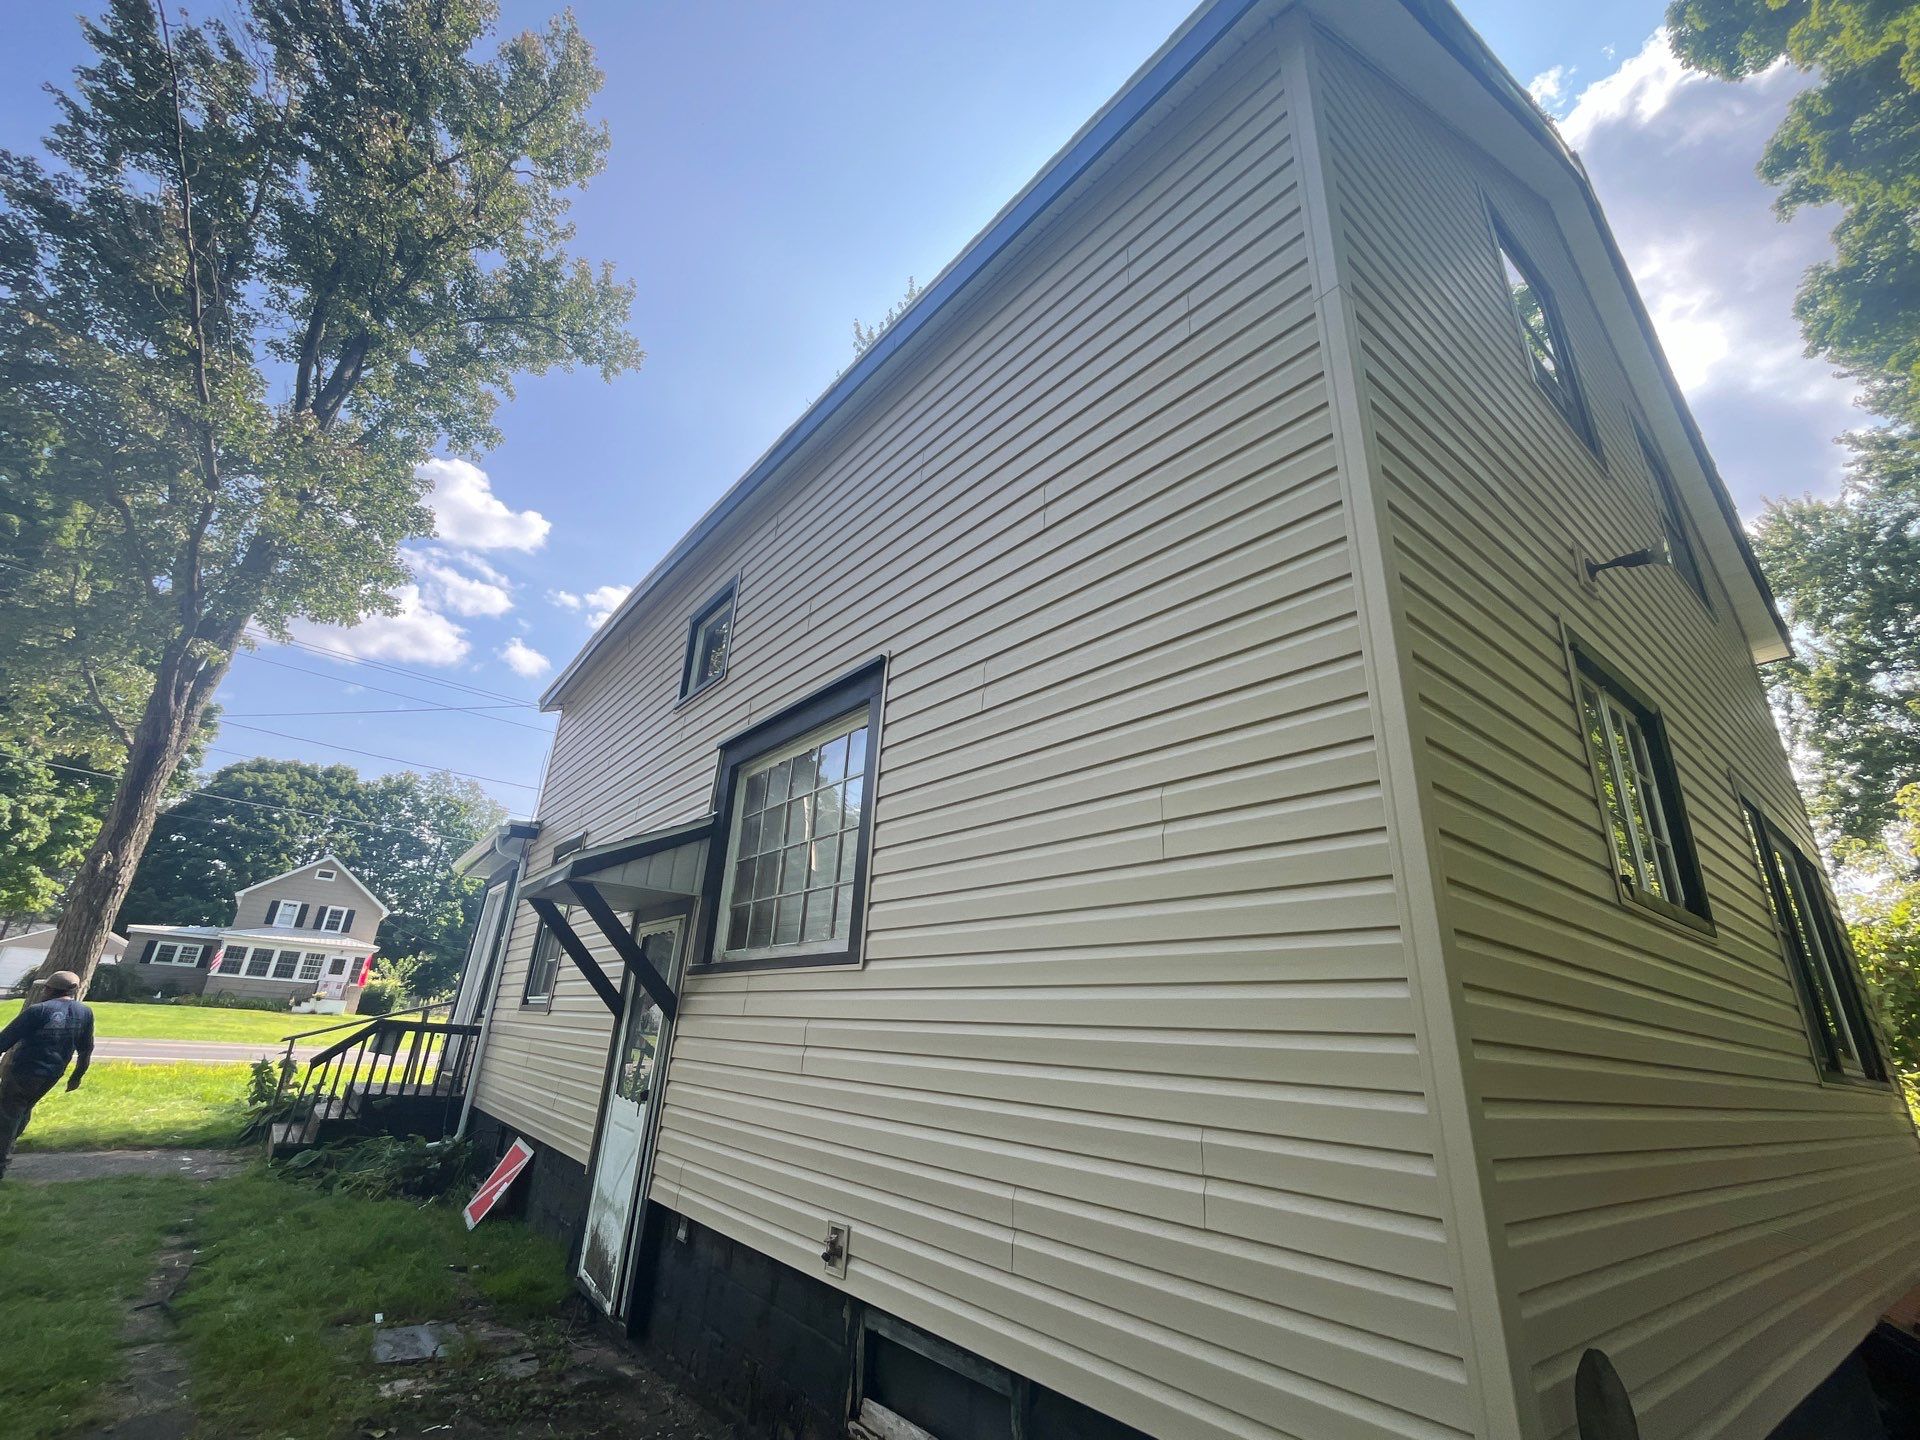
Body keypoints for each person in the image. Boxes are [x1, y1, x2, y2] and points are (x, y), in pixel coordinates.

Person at [0, 971, 94, 1181]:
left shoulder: (38, 1010)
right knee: (22, 1110)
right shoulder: (84, 1012)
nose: (43, 991)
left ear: (50, 990)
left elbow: (5, 1039)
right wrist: (77, 1076)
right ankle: (8, 1147)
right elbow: (86, 1048)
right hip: (52, 1074)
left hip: (23, 1072)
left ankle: (1, 1162)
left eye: (45, 988)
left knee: (7, 1116)